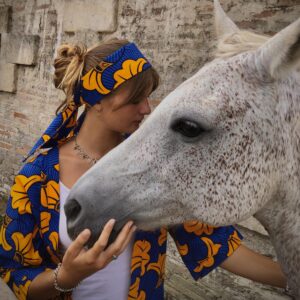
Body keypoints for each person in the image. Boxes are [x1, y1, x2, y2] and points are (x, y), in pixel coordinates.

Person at [0, 38, 286, 300]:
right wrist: (67, 277)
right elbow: (15, 276)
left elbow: (216, 246)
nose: (147, 109)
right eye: (135, 100)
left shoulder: (154, 165)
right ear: (94, 101)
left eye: (148, 97)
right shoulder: (36, 177)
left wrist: (291, 277)